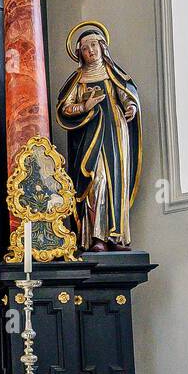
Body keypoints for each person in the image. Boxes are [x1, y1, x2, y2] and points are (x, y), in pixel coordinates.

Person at [56, 22, 141, 251]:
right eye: (85, 48)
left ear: (103, 47)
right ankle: (95, 237)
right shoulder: (78, 79)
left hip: (115, 133)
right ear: (80, 53)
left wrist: (131, 106)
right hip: (90, 136)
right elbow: (65, 108)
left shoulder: (115, 74)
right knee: (96, 180)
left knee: (116, 182)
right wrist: (85, 106)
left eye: (94, 45)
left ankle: (116, 235)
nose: (91, 50)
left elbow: (126, 96)